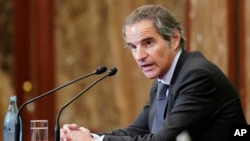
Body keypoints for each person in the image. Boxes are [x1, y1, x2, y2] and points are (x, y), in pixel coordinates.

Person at [60, 4, 247, 141]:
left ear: (173, 39)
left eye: (148, 43)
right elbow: (135, 131)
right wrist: (87, 135)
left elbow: (161, 140)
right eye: (133, 47)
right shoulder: (163, 80)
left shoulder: (197, 76)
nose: (140, 56)